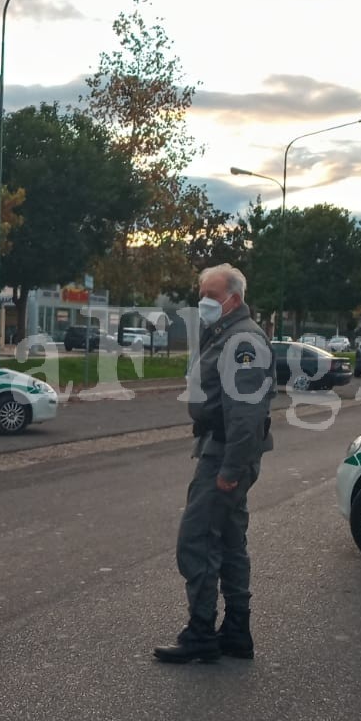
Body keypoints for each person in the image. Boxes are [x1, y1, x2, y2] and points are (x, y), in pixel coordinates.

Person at [154, 264, 275, 664]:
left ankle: (202, 632)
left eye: (210, 294)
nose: (202, 301)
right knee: (230, 540)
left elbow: (246, 415)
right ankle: (237, 632)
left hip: (226, 453)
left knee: (198, 539)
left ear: (234, 299)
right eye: (201, 292)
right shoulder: (225, 333)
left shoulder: (242, 341)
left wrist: (229, 470)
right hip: (221, 447)